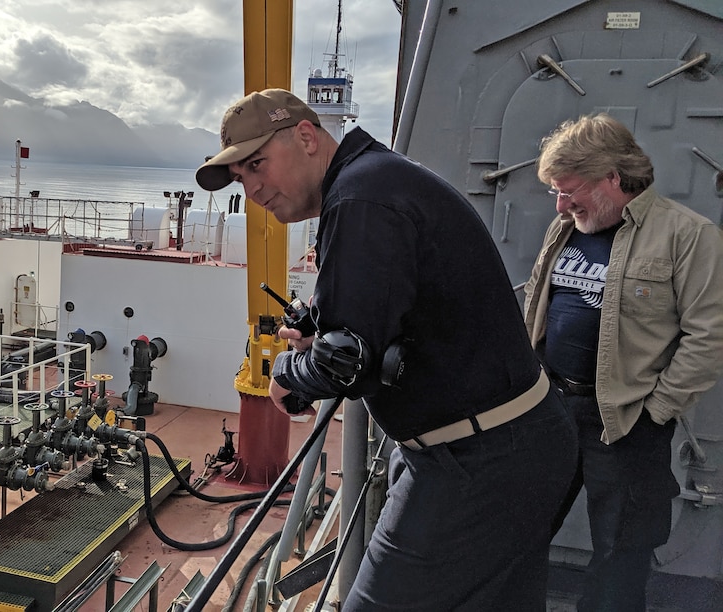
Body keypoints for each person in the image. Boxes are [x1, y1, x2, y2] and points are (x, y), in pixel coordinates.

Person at [196, 88, 577, 610]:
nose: (255, 188)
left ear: (306, 137)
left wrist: (288, 373)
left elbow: (344, 363)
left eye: (258, 163)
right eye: (242, 178)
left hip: (477, 459)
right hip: (511, 444)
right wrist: (322, 330)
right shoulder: (376, 177)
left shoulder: (358, 198)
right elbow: (393, 318)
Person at [524, 113, 723, 611]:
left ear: (614, 177)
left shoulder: (688, 236)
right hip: (551, 410)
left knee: (621, 553)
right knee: (519, 534)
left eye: (570, 191)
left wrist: (656, 410)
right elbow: (537, 302)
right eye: (555, 193)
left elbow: (709, 335)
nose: (561, 204)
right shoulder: (564, 227)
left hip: (628, 421)